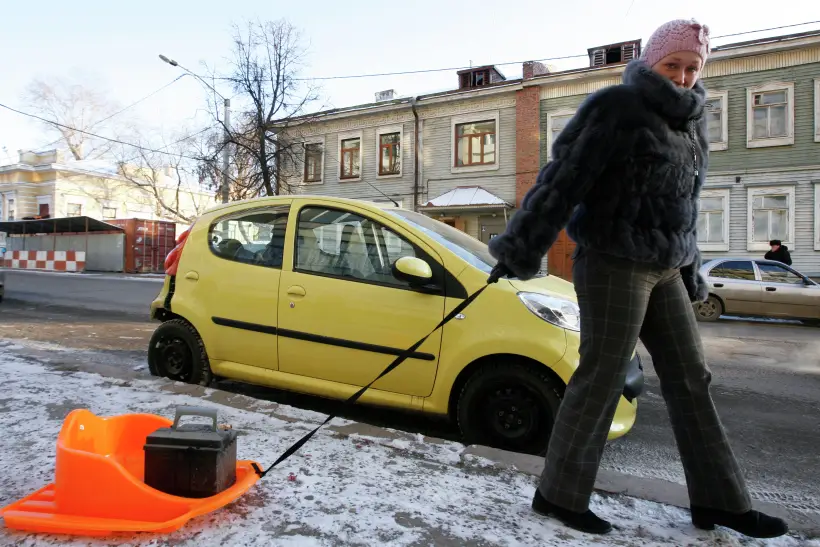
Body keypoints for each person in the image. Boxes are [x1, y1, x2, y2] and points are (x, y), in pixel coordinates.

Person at [487, 19, 788, 538]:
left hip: (667, 263)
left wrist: (690, 269)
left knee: (691, 379)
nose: (683, 77)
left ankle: (719, 502)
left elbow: (685, 205)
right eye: (673, 65)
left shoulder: (691, 122)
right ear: (651, 61)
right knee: (602, 376)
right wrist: (521, 247)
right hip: (613, 260)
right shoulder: (617, 107)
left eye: (692, 67)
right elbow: (562, 180)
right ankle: (559, 494)